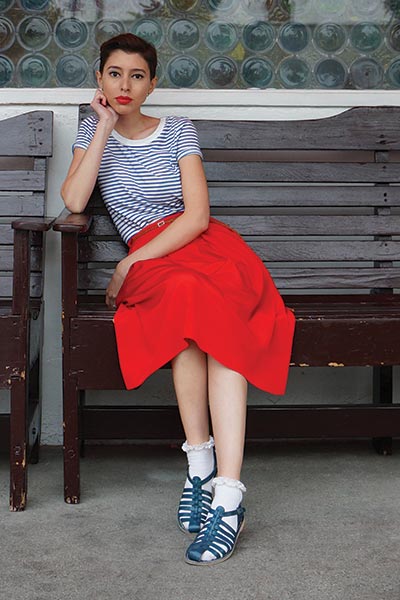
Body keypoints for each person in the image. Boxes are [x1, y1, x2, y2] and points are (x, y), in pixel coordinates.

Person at [61, 33, 295, 566]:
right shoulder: (90, 129)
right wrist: (101, 129)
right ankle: (200, 466)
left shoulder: (179, 133)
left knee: (208, 315)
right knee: (189, 310)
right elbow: (74, 198)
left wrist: (128, 263)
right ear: (99, 80)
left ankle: (227, 494)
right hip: (158, 263)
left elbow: (196, 217)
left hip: (202, 250)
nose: (125, 85)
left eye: (137, 75)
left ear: (152, 84)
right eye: (114, 73)